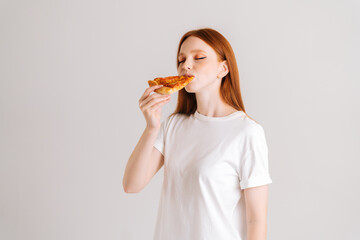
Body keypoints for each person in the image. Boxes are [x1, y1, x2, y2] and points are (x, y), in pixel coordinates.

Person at [123, 28, 273, 240]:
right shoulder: (173, 126)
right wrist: (151, 127)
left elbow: (256, 220)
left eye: (199, 57)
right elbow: (131, 184)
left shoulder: (247, 132)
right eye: (181, 60)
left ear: (224, 68)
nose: (186, 66)